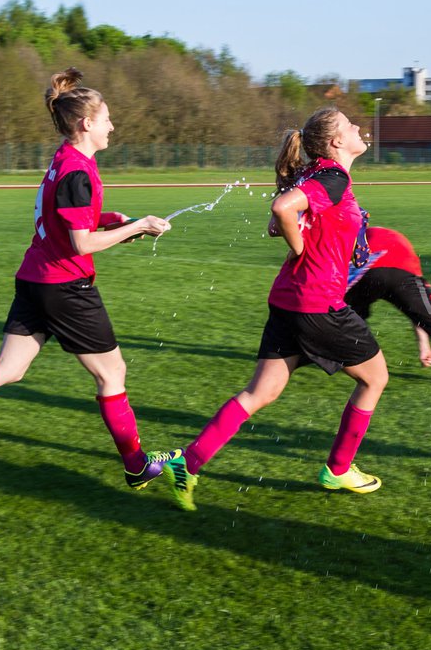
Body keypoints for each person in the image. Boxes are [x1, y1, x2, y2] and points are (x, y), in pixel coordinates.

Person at [0, 68, 176, 489]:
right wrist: (136, 227)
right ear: (87, 123)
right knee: (112, 375)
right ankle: (135, 466)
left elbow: (78, 222)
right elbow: (81, 243)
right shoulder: (77, 172)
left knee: (8, 367)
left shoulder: (65, 159)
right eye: (108, 118)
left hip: (36, 278)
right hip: (66, 287)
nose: (113, 126)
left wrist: (121, 221)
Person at [160, 107, 388, 511]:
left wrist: (303, 240)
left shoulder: (316, 175)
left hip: (290, 297)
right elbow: (282, 211)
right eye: (350, 124)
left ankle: (188, 462)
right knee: (375, 378)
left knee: (260, 392)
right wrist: (301, 247)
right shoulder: (332, 177)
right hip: (318, 302)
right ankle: (338, 469)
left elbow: (279, 220)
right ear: (336, 142)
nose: (358, 127)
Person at [345, 226, 431, 386]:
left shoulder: (360, 238)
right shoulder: (408, 255)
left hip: (367, 273)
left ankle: (355, 360)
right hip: (402, 276)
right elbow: (421, 316)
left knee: (350, 317)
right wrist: (423, 345)